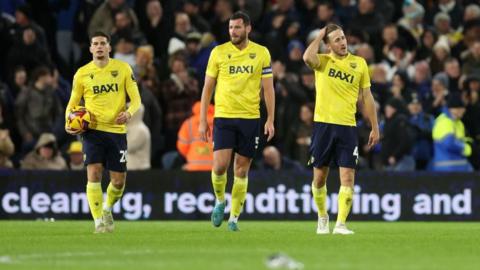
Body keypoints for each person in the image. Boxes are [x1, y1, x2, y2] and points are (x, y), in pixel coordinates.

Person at [199, 11, 275, 231]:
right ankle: (220, 200)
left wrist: (270, 118)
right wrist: (203, 120)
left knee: (241, 171)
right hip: (224, 116)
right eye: (231, 28)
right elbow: (207, 88)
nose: (233, 31)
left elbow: (268, 89)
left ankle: (233, 218)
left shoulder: (261, 53)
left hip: (250, 118)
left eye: (237, 27)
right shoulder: (218, 52)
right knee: (220, 166)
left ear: (248, 28)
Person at [303, 24, 379, 235]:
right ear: (328, 45)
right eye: (336, 40)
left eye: (343, 38)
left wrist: (375, 126)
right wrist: (319, 35)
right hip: (323, 126)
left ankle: (341, 224)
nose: (343, 42)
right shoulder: (322, 62)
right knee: (319, 178)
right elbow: (306, 57)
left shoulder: (359, 63)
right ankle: (322, 217)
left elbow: (367, 97)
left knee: (348, 178)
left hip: (348, 127)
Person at [65, 31, 141, 233]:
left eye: (103, 43)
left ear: (109, 47)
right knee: (94, 173)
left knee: (118, 182)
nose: (99, 47)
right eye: (95, 43)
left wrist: (129, 113)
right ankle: (98, 221)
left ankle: (107, 208)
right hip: (92, 131)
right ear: (90, 48)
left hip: (117, 131)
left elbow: (136, 100)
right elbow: (72, 103)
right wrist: (68, 122)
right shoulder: (81, 74)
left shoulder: (123, 69)